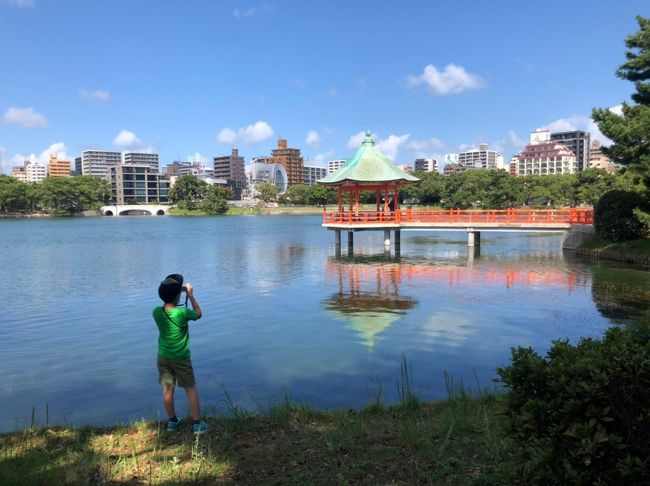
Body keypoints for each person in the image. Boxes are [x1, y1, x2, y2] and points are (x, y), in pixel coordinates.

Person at [153, 274, 210, 435]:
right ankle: (197, 424)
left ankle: (172, 421)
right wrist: (190, 295)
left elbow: (168, 301)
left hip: (163, 357)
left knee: (167, 389)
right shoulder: (182, 313)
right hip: (180, 358)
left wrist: (178, 292)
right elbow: (198, 313)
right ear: (178, 295)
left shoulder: (156, 312)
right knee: (190, 389)